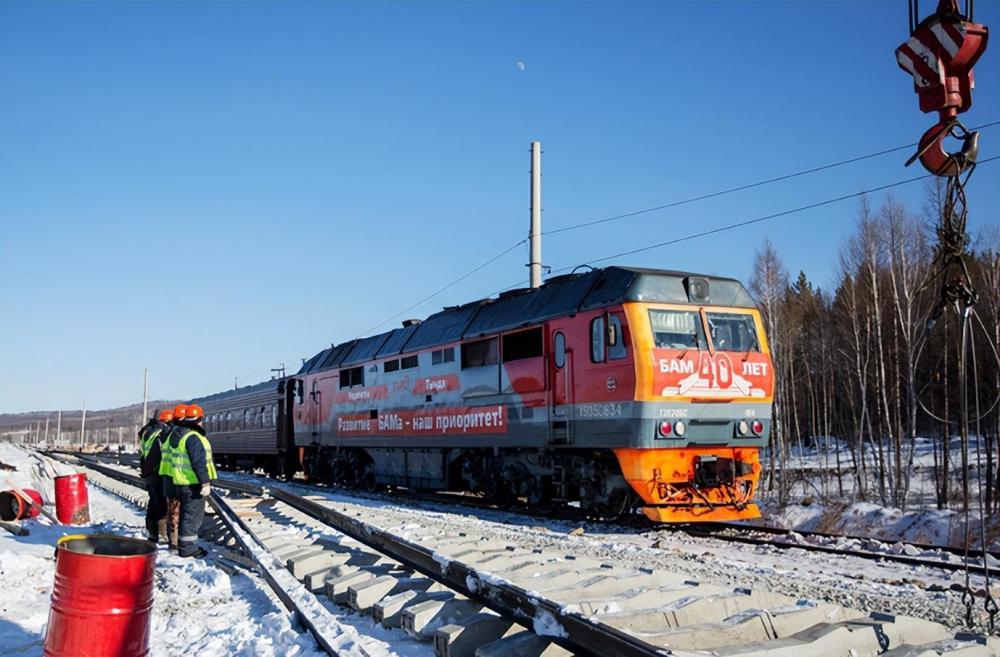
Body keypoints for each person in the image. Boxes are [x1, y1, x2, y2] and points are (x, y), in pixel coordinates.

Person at [166, 403, 217, 558]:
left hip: (180, 481)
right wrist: (205, 482)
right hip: (193, 483)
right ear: (199, 420)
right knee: (192, 517)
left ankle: (185, 546)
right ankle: (188, 549)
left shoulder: (178, 434)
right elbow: (198, 462)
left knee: (186, 516)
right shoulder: (193, 437)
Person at [138, 408, 173, 543]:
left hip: (150, 473)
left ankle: (152, 533)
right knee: (162, 506)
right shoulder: (159, 433)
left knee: (153, 504)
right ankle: (162, 535)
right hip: (157, 472)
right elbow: (155, 454)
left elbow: (146, 454)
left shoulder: (147, 431)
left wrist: (145, 471)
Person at [159, 404, 187, 549]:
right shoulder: (176, 434)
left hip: (168, 477)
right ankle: (176, 543)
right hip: (177, 478)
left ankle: (173, 541)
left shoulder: (166, 434)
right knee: (177, 513)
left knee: (172, 512)